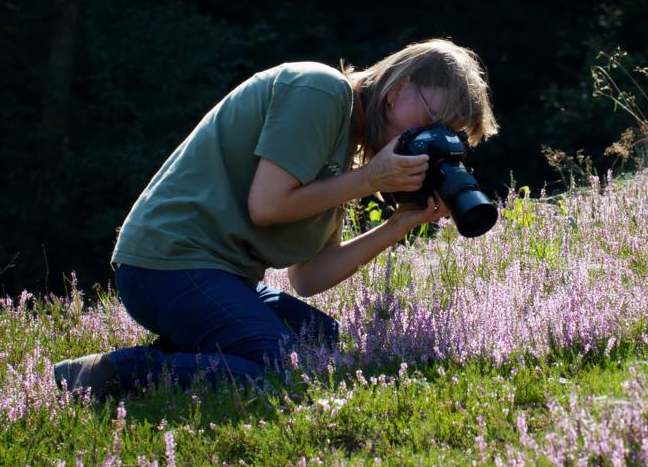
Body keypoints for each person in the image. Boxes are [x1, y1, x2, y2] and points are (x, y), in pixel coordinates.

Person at [53, 39, 498, 399]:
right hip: (168, 264)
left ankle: (190, 351)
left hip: (222, 276)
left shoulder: (348, 151)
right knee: (278, 366)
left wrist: (399, 224)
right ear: (400, 87)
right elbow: (266, 206)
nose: (435, 138)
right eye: (435, 120)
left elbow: (308, 276)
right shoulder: (321, 92)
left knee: (322, 343)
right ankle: (110, 373)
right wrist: (369, 179)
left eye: (450, 134)